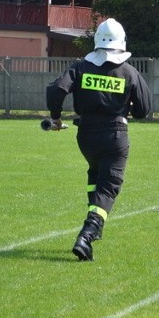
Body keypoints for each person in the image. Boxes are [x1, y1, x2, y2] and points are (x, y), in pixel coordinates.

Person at [46, 18, 152, 261]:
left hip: (86, 137)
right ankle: (88, 233)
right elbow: (143, 109)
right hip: (115, 136)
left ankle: (96, 228)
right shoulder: (129, 71)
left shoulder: (80, 67)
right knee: (109, 186)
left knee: (95, 174)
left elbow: (56, 90)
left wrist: (55, 117)